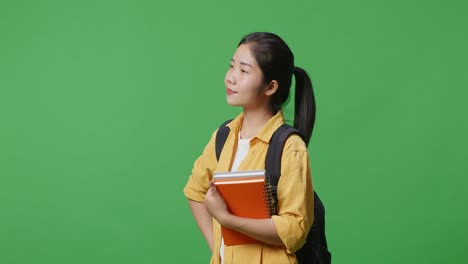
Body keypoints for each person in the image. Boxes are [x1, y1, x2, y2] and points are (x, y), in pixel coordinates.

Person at [183, 32, 316, 264]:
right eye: (231, 66)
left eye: (243, 71)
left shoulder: (289, 147)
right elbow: (195, 191)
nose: (230, 78)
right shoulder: (224, 136)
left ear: (270, 86)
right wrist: (218, 250)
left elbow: (295, 230)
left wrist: (227, 220)